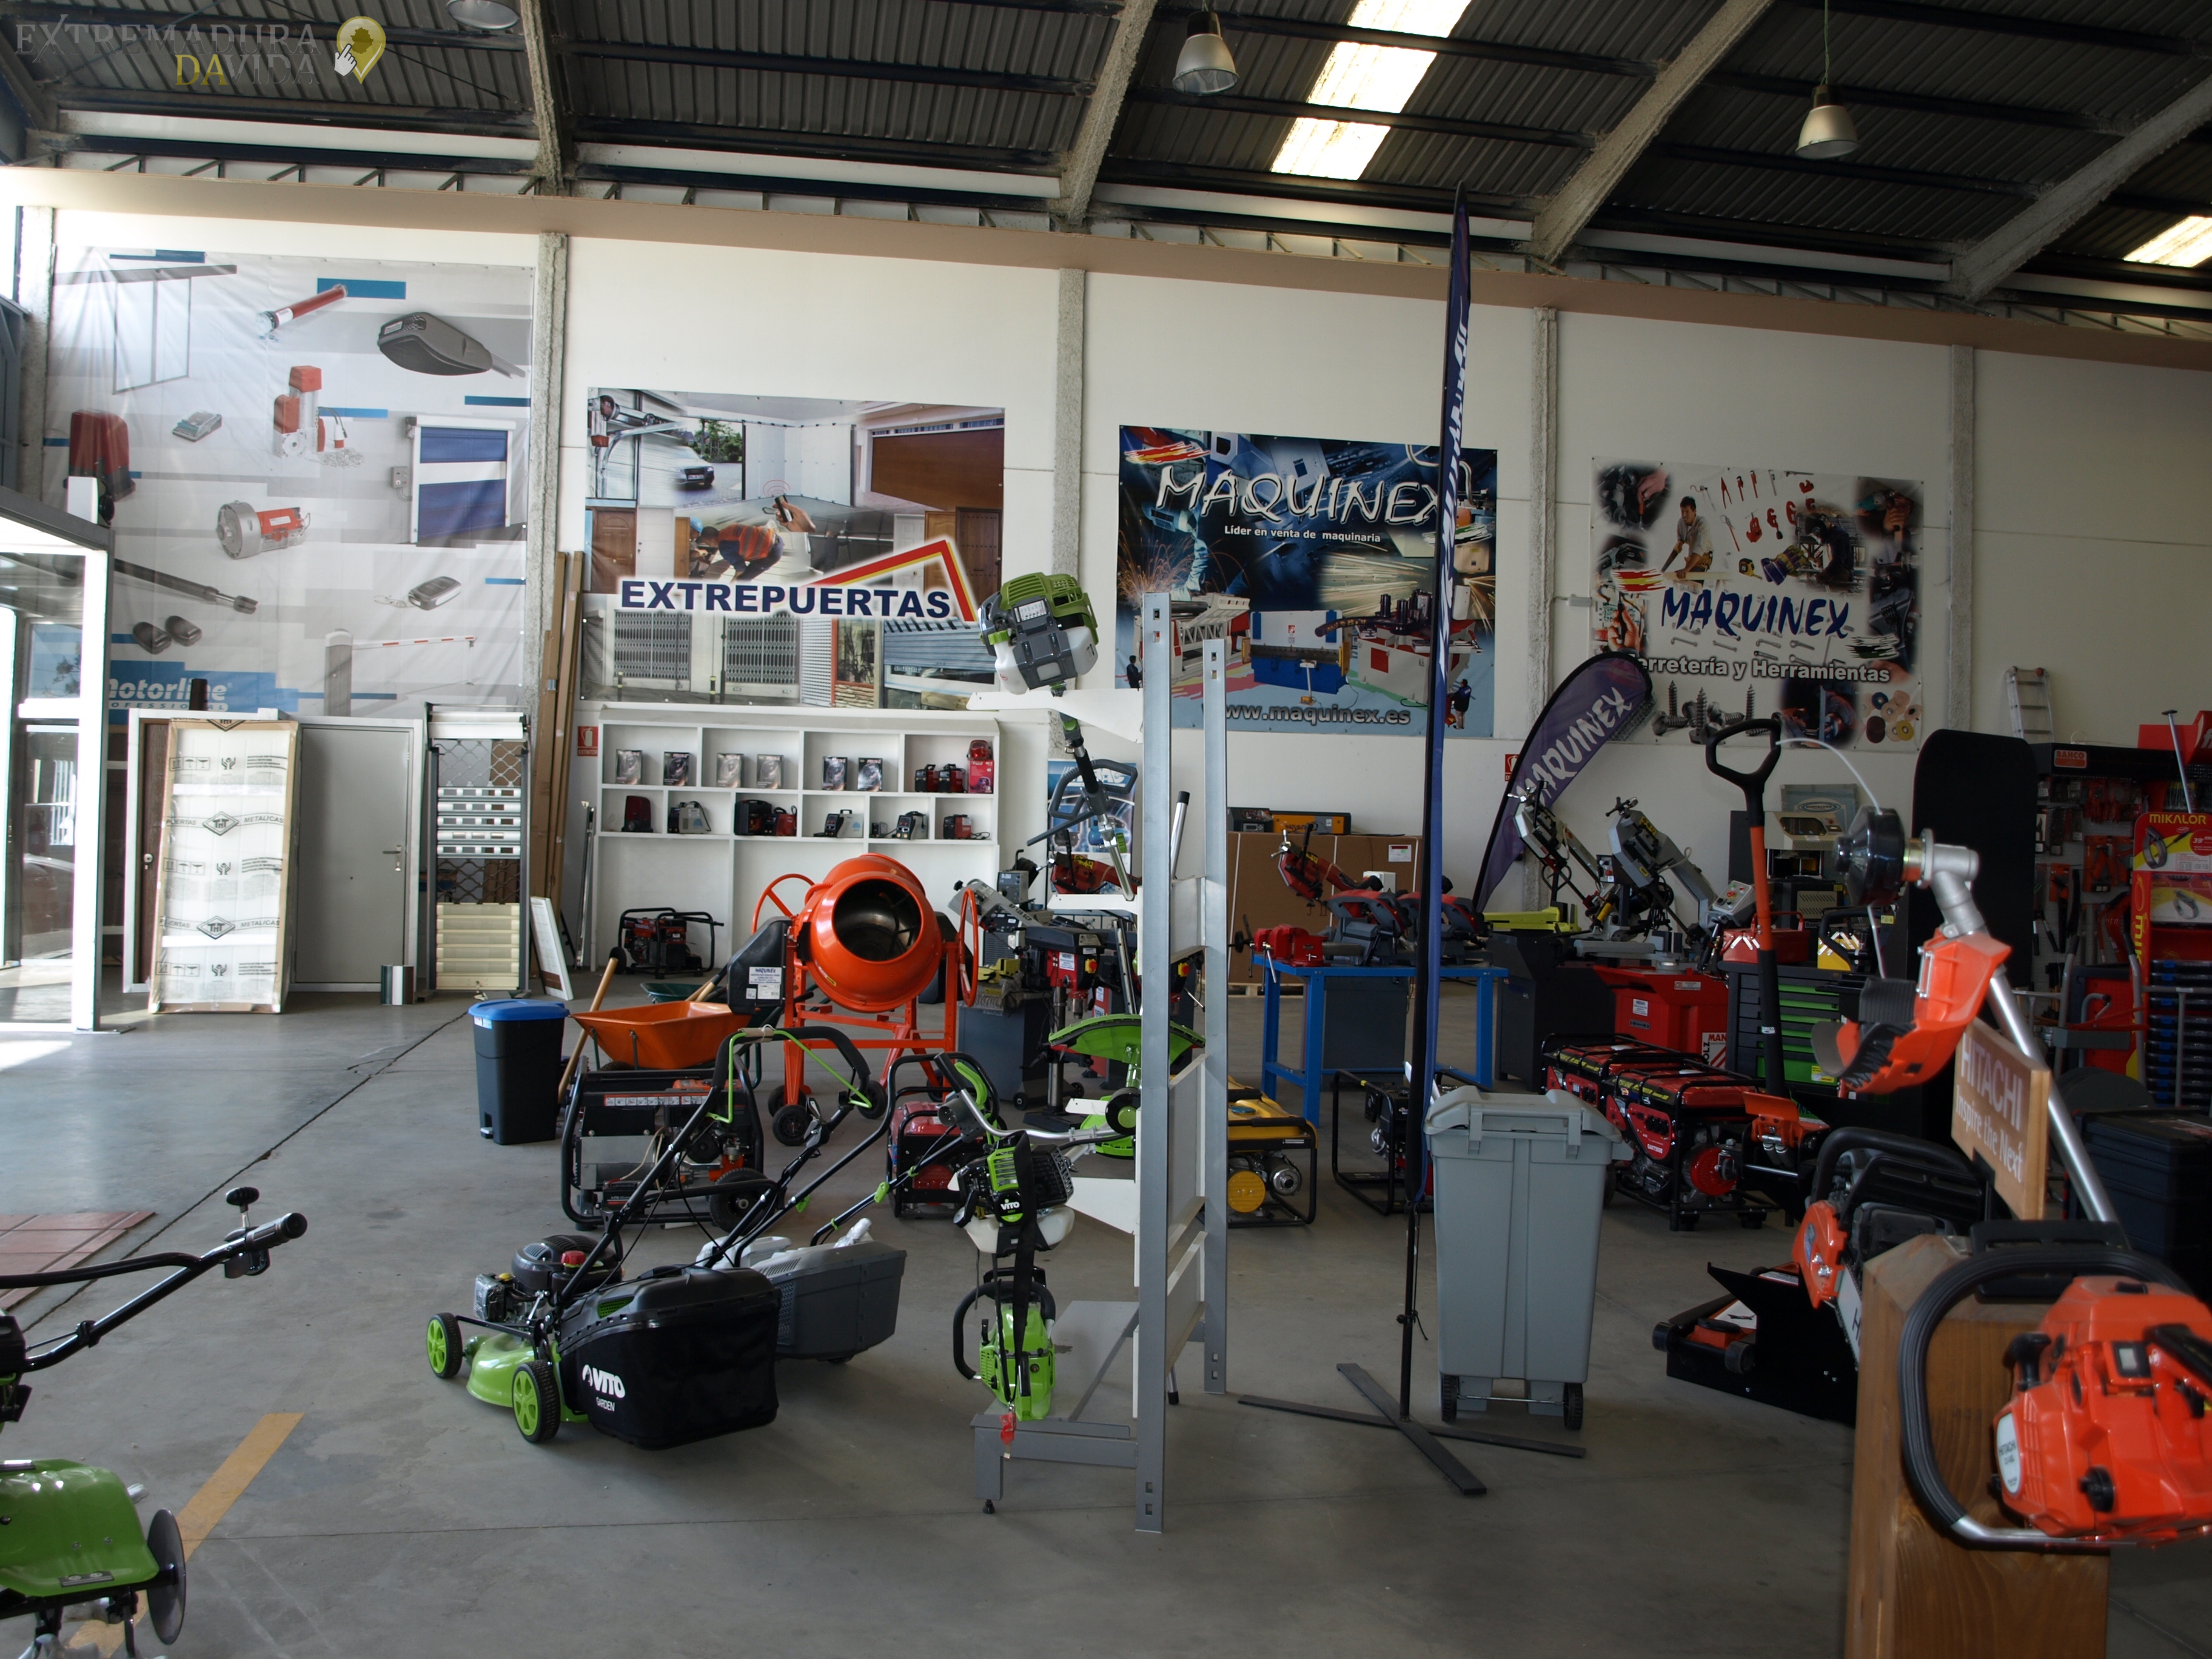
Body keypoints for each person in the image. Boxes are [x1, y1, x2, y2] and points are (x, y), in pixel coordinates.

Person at [1663, 495, 1711, 575]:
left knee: (1692, 579)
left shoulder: (1702, 524)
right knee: (1681, 577)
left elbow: (1700, 548)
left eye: (1687, 512)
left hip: (1705, 558)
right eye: (1682, 512)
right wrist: (1663, 570)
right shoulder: (1681, 523)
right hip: (1692, 558)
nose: (1684, 515)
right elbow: (1679, 545)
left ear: (1694, 511)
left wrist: (1687, 569)